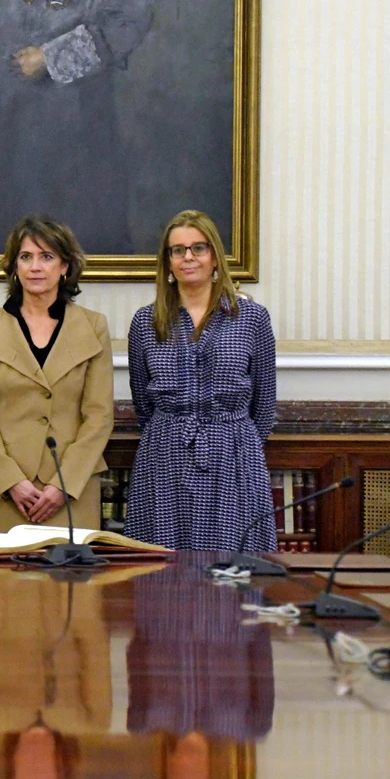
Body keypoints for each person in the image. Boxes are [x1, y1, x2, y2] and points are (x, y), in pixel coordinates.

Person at [0, 0, 154, 254]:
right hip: (12, 134)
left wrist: (52, 58)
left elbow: (130, 19)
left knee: (80, 247)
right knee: (13, 250)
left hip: (80, 131)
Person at [123, 210, 276, 550]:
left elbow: (264, 406)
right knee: (162, 572)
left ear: (215, 257)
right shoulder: (145, 322)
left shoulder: (252, 319)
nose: (188, 257)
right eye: (178, 250)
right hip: (163, 455)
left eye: (198, 248)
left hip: (233, 454)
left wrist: (234, 442)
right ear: (168, 262)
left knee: (234, 576)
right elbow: (143, 405)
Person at [0, 215, 115, 532]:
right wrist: (11, 480)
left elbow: (99, 414)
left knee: (70, 580)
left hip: (71, 491)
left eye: (47, 257)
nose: (35, 267)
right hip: (3, 490)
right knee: (1, 581)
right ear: (14, 266)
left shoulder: (93, 326)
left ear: (65, 267)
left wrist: (64, 483)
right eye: (26, 257)